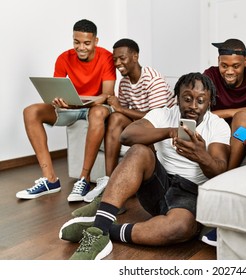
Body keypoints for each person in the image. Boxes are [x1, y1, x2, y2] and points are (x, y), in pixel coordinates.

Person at [59, 72, 231, 260]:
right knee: (139, 150)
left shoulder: (218, 126)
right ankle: (98, 232)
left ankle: (104, 228)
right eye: (187, 99)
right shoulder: (163, 114)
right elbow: (127, 135)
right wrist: (170, 131)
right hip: (160, 183)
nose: (192, 106)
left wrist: (201, 156)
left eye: (200, 101)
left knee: (181, 228)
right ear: (177, 97)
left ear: (209, 103)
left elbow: (220, 170)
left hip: (190, 193)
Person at [16, 19, 116, 202]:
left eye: (87, 43)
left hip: (95, 107)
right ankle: (50, 180)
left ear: (96, 41)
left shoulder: (107, 57)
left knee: (99, 112)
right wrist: (58, 101)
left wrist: (86, 103)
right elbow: (57, 89)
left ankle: (84, 179)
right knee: (30, 111)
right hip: (70, 107)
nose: (81, 47)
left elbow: (107, 95)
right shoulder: (64, 57)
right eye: (76, 42)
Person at [83, 38, 176, 203]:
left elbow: (157, 116)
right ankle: (109, 180)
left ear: (135, 57)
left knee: (118, 114)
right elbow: (124, 114)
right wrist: (116, 109)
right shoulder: (124, 83)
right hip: (142, 123)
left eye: (122, 58)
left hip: (162, 126)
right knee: (116, 118)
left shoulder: (154, 80)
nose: (118, 63)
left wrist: (119, 108)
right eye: (115, 59)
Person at [203, 38, 246, 170]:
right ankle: (231, 172)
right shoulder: (210, 76)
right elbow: (200, 114)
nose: (229, 72)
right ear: (218, 61)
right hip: (220, 129)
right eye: (224, 66)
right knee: (243, 116)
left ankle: (233, 172)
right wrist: (232, 111)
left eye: (236, 66)